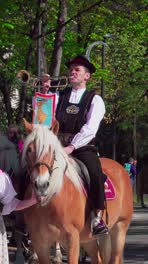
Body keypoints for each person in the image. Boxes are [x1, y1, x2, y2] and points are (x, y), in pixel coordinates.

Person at [55, 55, 108, 236]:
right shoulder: (58, 95)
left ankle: (96, 217)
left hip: (82, 147)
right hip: (56, 145)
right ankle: (22, 219)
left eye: (77, 70)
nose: (72, 72)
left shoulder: (95, 99)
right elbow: (42, 116)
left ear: (87, 76)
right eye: (71, 69)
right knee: (29, 169)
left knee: (94, 173)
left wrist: (72, 147)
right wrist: (43, 94)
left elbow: (90, 128)